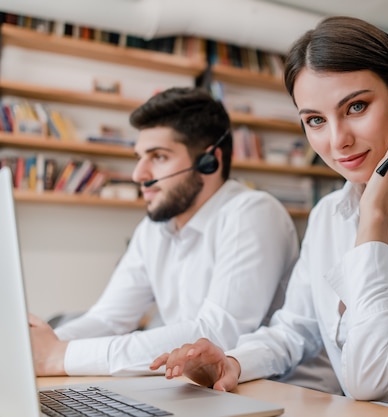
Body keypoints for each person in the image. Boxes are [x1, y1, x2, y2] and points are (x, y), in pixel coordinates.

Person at [150, 17, 388, 417]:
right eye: (315, 120)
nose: (337, 140)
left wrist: (374, 218)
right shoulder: (328, 213)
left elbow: (373, 379)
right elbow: (296, 328)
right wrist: (235, 363)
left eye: (356, 107)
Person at [27, 86, 300, 377]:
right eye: (139, 157)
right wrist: (42, 346)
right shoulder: (154, 228)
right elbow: (109, 318)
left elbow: (217, 334)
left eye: (158, 157)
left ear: (210, 162)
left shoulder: (252, 212)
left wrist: (62, 356)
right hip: (195, 389)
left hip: (270, 390)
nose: (138, 175)